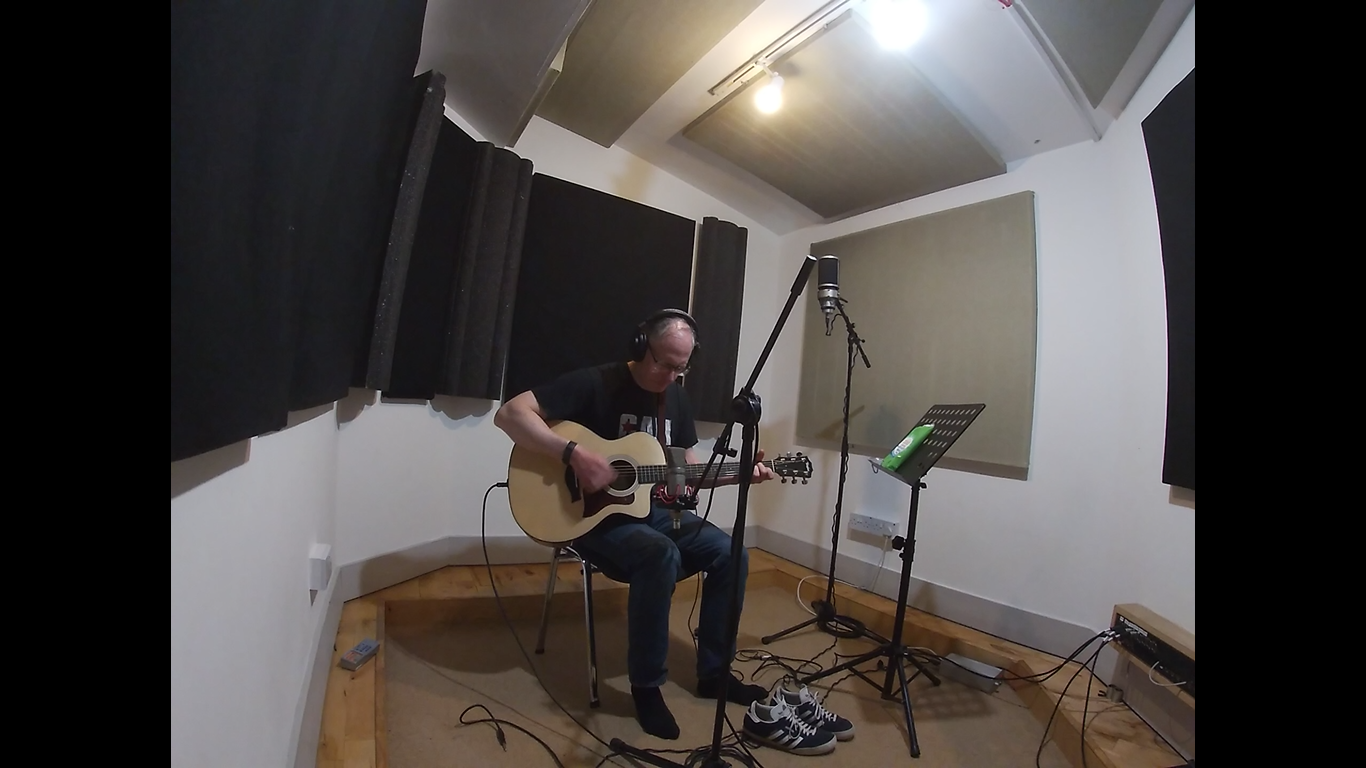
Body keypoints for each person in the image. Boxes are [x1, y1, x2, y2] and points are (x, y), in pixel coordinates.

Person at [494, 309, 776, 740]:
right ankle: (646, 687)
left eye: (681, 368)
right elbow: (510, 414)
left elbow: (686, 464)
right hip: (587, 517)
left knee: (730, 552)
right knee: (659, 554)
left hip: (651, 511)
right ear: (641, 346)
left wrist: (733, 475)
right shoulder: (596, 382)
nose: (671, 376)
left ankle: (715, 674)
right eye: (664, 364)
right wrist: (573, 454)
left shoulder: (675, 398)